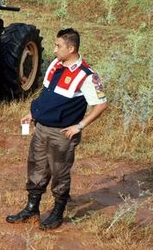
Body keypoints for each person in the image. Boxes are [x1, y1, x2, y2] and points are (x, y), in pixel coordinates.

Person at [7, 28, 108, 230]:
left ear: (71, 48)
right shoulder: (56, 65)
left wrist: (79, 126)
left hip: (62, 134)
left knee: (59, 173)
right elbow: (47, 95)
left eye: (58, 46)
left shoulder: (87, 76)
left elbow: (101, 105)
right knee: (36, 167)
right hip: (41, 128)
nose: (54, 50)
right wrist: (33, 114)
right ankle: (31, 208)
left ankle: (57, 213)